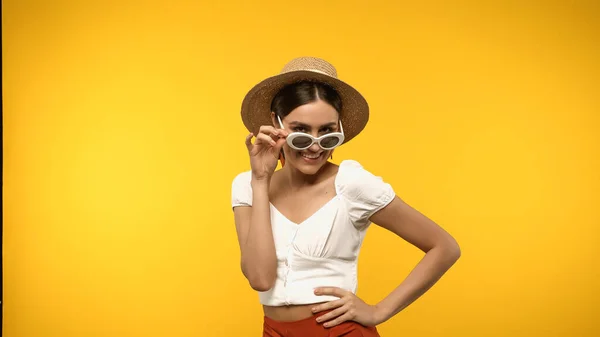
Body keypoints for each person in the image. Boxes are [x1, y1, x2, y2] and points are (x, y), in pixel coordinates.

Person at [231, 56, 461, 337]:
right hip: (275, 331)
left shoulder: (352, 183)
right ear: (275, 123)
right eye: (300, 131)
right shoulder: (247, 185)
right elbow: (260, 278)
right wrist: (260, 180)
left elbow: (444, 247)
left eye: (327, 132)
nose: (315, 147)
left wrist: (378, 311)